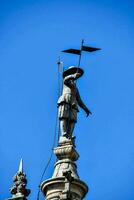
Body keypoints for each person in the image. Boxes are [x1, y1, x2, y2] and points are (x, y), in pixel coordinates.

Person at [57, 66, 92, 139]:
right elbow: (65, 80)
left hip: (73, 103)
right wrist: (73, 76)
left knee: (73, 120)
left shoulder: (76, 89)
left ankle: (69, 135)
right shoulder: (66, 81)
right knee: (64, 117)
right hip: (66, 99)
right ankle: (64, 134)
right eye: (72, 73)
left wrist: (86, 109)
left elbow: (79, 100)